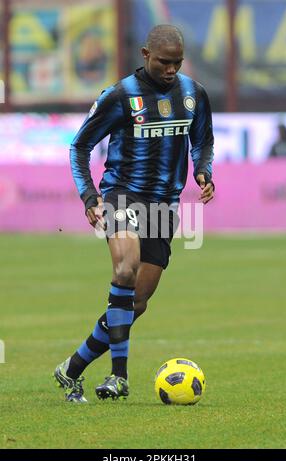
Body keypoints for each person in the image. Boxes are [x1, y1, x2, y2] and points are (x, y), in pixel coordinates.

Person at [53, 24, 215, 403]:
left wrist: (203, 171)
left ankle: (71, 369)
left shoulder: (194, 94)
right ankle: (119, 377)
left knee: (136, 303)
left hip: (163, 205)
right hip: (122, 195)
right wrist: (90, 197)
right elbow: (79, 147)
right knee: (124, 270)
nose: (171, 70)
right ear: (145, 55)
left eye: (177, 63)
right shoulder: (121, 95)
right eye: (164, 62)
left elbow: (202, 140)